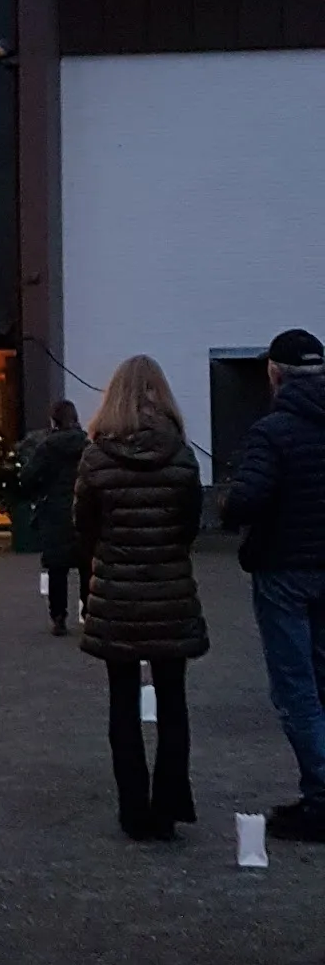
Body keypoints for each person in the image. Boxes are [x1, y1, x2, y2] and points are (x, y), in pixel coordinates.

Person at [74, 356, 208, 841]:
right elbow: (191, 522)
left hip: (118, 594)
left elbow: (84, 526)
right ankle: (170, 804)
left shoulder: (96, 456)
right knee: (173, 702)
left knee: (122, 703)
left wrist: (98, 571)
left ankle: (134, 809)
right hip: (170, 591)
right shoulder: (181, 452)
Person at [221, 328, 325, 842]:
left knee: (295, 686)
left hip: (285, 571)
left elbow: (246, 501)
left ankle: (321, 796)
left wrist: (231, 500)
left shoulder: (274, 430)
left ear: (275, 374)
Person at [19, 399, 90, 636]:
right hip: (83, 509)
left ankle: (58, 617)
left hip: (55, 512)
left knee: (57, 569)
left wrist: (38, 492)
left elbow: (29, 476)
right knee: (86, 566)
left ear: (54, 420)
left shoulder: (47, 447)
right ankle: (88, 614)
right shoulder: (88, 445)